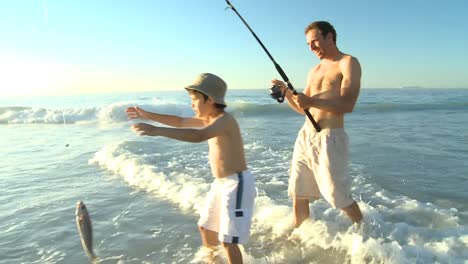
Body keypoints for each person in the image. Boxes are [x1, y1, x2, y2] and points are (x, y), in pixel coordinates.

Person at [126, 73, 256, 264]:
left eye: (195, 99)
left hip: (236, 184)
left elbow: (198, 136)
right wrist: (147, 115)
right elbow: (179, 121)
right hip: (221, 183)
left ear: (209, 99)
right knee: (206, 228)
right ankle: (213, 262)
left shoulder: (223, 120)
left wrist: (156, 131)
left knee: (228, 241)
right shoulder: (210, 118)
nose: (192, 104)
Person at [271, 21, 363, 228]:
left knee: (338, 195)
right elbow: (304, 108)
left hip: (331, 136)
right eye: (308, 45)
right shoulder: (314, 70)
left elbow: (348, 104)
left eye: (315, 42)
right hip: (306, 136)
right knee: (299, 192)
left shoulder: (348, 62)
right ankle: (300, 236)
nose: (311, 48)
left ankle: (365, 230)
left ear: (330, 37)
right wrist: (286, 93)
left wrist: (311, 101)